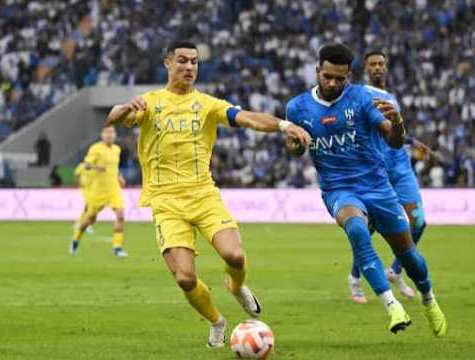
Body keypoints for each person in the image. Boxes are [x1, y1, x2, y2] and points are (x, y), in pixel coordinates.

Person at [105, 40, 311, 348]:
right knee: (185, 278)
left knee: (235, 256)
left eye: (194, 62)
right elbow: (114, 119)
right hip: (165, 202)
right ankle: (217, 321)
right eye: (183, 61)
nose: (189, 67)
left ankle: (236, 286)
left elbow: (249, 119)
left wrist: (284, 125)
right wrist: (124, 108)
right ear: (167, 64)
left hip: (203, 195)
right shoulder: (150, 102)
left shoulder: (207, 104)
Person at [285, 43, 446, 336]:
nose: (333, 83)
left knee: (408, 255)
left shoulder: (361, 98)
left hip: (377, 187)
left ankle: (428, 299)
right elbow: (294, 148)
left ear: (348, 76)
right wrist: (295, 144)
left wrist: (397, 124)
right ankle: (392, 306)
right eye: (328, 77)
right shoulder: (297, 107)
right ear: (317, 71)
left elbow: (395, 141)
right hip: (338, 189)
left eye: (340, 78)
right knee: (357, 230)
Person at [347, 50, 431, 304]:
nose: (377, 68)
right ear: (366, 69)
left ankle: (394, 270)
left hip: (401, 166)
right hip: (376, 168)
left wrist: (414, 141)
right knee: (369, 226)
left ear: (387, 66)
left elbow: (394, 129)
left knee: (417, 222)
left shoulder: (390, 96)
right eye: (372, 64)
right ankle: (354, 277)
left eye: (381, 63)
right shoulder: (361, 93)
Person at [69, 126, 128, 257]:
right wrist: (97, 167)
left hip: (113, 189)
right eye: (107, 133)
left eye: (112, 133)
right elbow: (86, 164)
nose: (109, 135)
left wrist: (120, 177)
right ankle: (75, 239)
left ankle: (117, 247)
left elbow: (115, 167)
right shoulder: (96, 149)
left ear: (115, 135)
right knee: (90, 219)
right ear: (102, 135)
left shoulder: (116, 149)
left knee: (121, 215)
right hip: (98, 191)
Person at [73, 162, 95, 235]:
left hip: (93, 189)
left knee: (89, 206)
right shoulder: (81, 166)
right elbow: (76, 174)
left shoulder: (94, 166)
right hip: (85, 189)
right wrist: (79, 183)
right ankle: (85, 224)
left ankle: (80, 222)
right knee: (89, 205)